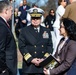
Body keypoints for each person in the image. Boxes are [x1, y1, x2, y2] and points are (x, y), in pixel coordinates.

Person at [18, 8, 53, 75]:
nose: (35, 20)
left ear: (41, 19)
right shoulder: (24, 31)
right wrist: (31, 59)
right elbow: (22, 46)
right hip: (29, 66)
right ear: (30, 19)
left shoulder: (46, 31)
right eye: (33, 18)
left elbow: (49, 46)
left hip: (42, 66)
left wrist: (44, 59)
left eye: (37, 18)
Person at [0, 1, 17, 75]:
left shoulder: (3, 24)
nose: (12, 13)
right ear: (6, 11)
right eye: (11, 11)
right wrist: (3, 69)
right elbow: (0, 49)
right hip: (6, 69)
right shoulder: (1, 26)